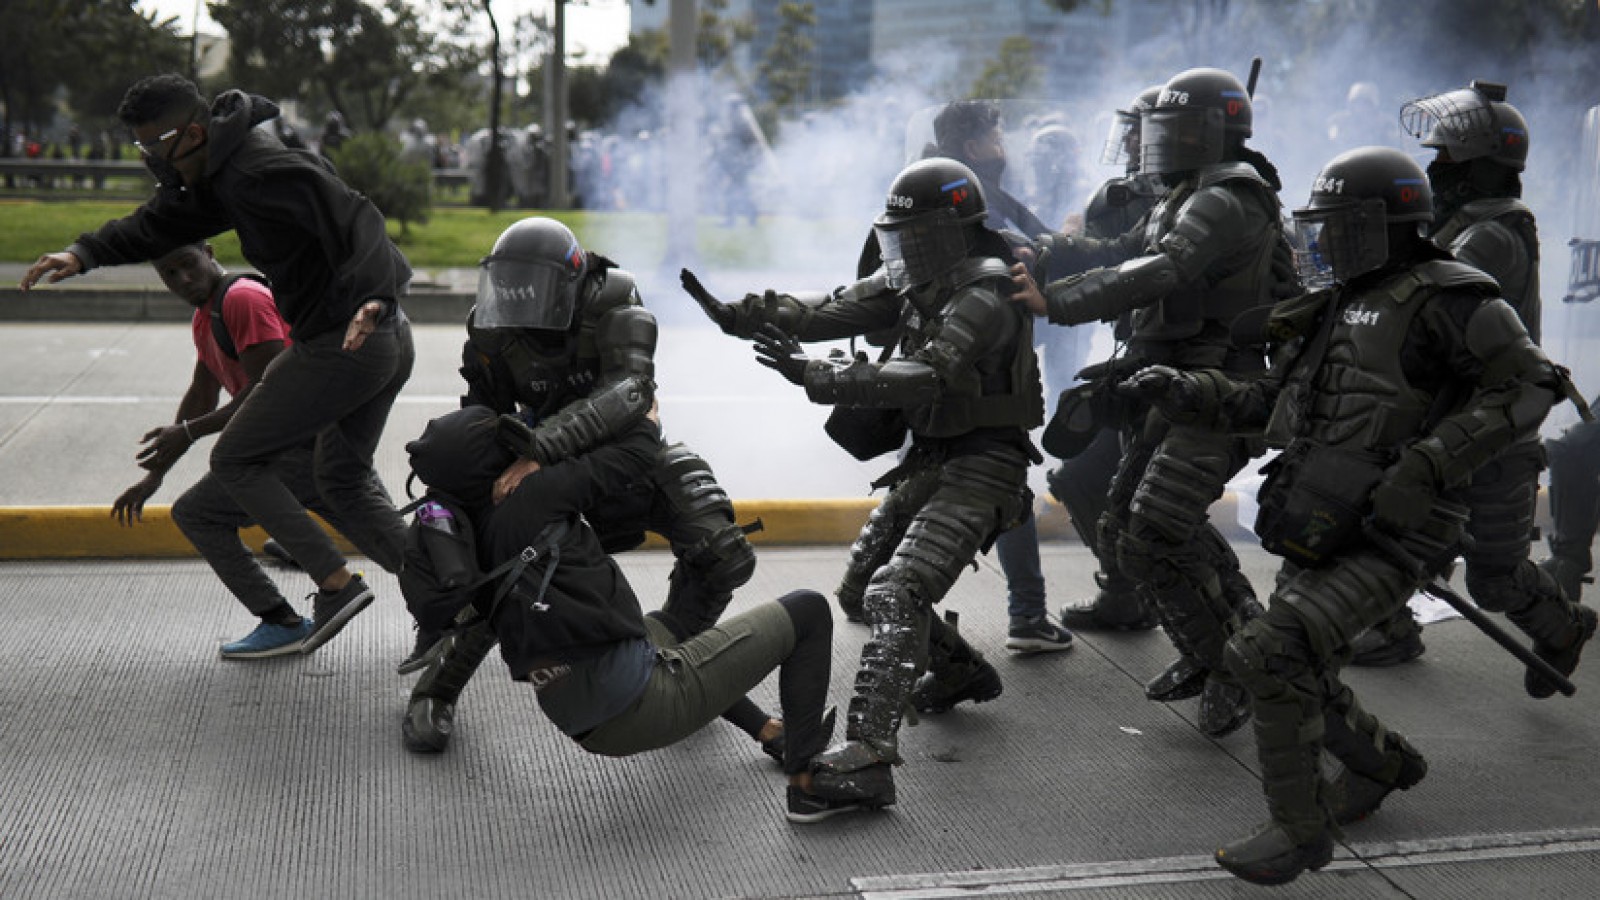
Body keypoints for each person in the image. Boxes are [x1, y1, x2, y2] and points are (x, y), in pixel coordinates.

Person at [1126, 146, 1592, 884]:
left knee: (1269, 652)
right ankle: (1382, 765)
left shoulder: (1456, 298)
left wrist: (1427, 466)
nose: (1325, 241)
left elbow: (1533, 385)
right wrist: (1189, 391)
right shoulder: (1336, 301)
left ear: (1386, 224)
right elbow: (1281, 409)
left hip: (1400, 528)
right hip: (1326, 513)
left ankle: (1300, 831)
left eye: (1339, 226)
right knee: (1292, 662)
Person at [690, 156, 1044, 809]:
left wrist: (818, 377)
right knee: (859, 590)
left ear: (953, 231)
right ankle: (961, 668)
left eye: (916, 238)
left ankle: (871, 759)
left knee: (895, 589)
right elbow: (832, 306)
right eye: (898, 239)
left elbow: (927, 375)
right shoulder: (923, 279)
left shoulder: (983, 294)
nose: (902, 253)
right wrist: (739, 314)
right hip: (934, 459)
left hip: (987, 463)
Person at [19, 74, 415, 656]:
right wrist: (84, 253)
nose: (153, 162)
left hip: (350, 336)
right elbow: (158, 221)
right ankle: (454, 603)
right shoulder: (220, 173)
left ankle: (335, 585)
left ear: (194, 133)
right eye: (142, 150)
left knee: (237, 457)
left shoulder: (257, 173)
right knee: (343, 481)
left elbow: (358, 216)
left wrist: (374, 295)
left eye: (156, 148)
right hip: (367, 335)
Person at [401, 217, 784, 762]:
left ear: (573, 282)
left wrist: (541, 448)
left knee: (722, 553)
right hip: (536, 469)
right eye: (512, 292)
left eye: (534, 291)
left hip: (623, 456)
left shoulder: (615, 303)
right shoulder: (490, 329)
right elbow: (483, 417)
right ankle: (437, 687)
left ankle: (683, 661)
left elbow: (628, 393)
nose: (521, 305)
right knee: (502, 570)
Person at [397, 403, 856, 822]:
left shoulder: (467, 531)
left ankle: (770, 731)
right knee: (809, 610)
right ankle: (808, 784)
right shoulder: (534, 494)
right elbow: (640, 442)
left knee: (672, 627)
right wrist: (545, 452)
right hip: (640, 702)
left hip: (579, 715)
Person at [1010, 67, 1293, 737]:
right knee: (1130, 532)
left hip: (1221, 384)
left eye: (1179, 129)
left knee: (1160, 523)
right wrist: (1044, 252)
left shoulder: (1227, 197)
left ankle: (1239, 662)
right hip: (1167, 378)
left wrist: (1060, 301)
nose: (1161, 142)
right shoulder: (1184, 194)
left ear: (1218, 132)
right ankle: (1217, 648)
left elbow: (1162, 271)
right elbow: (1118, 249)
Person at [1350, 80, 1555, 667]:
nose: (1434, 168)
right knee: (1387, 521)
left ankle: (1563, 625)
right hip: (1451, 414)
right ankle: (1390, 627)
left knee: (1496, 580)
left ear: (1479, 165)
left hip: (1495, 424)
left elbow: (1423, 289)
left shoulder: (1490, 233)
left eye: (1445, 157)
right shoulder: (1464, 222)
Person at [111, 242, 380, 657]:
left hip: (296, 446)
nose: (183, 279)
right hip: (294, 445)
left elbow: (268, 387)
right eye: (169, 273)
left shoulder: (242, 299)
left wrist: (187, 431)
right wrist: (155, 474)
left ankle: (287, 617)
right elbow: (203, 393)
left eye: (188, 264)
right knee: (390, 542)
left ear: (208, 251)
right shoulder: (210, 314)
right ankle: (457, 597)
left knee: (198, 513)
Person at [929, 98, 1073, 654]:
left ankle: (866, 587)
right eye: (996, 136)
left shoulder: (942, 183)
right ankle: (1029, 617)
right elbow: (1007, 252)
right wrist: (1047, 248)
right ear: (972, 147)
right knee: (1009, 486)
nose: (1003, 147)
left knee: (920, 484)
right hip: (982, 371)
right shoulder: (967, 198)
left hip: (942, 365)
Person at [1050, 84, 1165, 634]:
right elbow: (1103, 258)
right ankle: (1126, 593)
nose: (1133, 139)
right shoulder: (1119, 196)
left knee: (1158, 503)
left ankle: (1185, 611)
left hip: (1192, 370)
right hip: (1139, 361)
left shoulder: (1215, 199)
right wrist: (1057, 249)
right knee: (1079, 480)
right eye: (1132, 127)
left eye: (1144, 127)